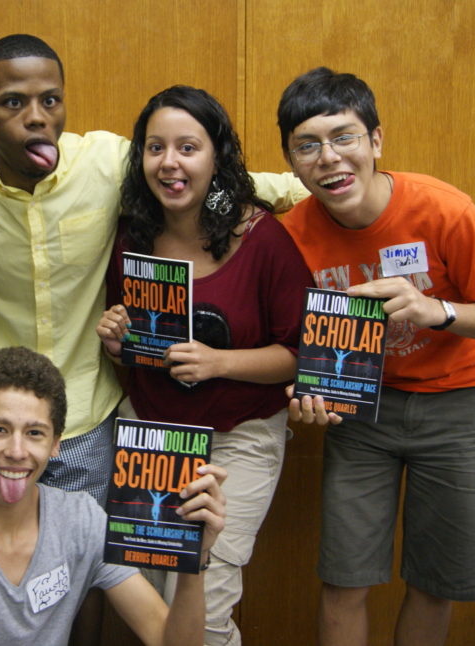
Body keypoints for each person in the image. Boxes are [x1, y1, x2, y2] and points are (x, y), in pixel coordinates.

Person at [0, 33, 310, 504]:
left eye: (50, 100)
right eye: (13, 102)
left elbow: (201, 177)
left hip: (88, 421)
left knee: (108, 569)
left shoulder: (104, 163)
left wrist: (342, 191)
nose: (35, 116)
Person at [278, 67, 475, 646]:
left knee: (437, 580)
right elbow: (295, 340)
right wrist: (305, 390)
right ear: (292, 161)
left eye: (343, 137)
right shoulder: (291, 235)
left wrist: (438, 312)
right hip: (362, 414)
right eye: (308, 145)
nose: (328, 158)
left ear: (375, 141)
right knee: (344, 578)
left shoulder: (444, 210)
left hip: (459, 404)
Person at [96, 85, 313, 646]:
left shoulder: (260, 237)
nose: (169, 163)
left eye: (188, 147)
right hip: (152, 434)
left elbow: (303, 353)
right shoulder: (132, 236)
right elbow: (135, 346)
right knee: (150, 602)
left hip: (237, 438)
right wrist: (118, 341)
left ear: (216, 156)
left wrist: (219, 362)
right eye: (155, 147)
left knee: (205, 604)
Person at [0, 346, 228, 646]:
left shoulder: (81, 520)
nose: (16, 450)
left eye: (34, 433)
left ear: (56, 443)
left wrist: (195, 557)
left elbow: (169, 639)